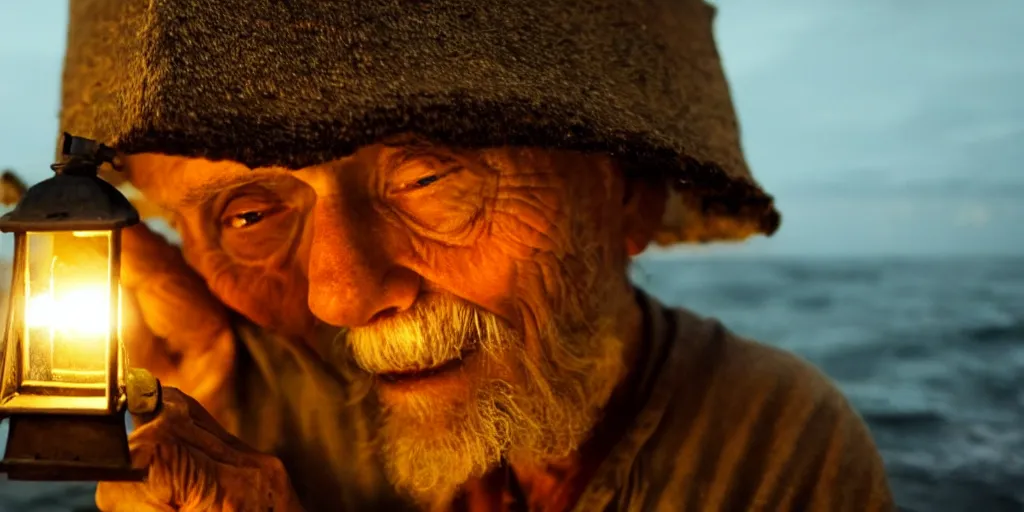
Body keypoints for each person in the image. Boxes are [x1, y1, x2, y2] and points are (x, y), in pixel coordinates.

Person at [56, 0, 895, 510]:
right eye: (247, 214)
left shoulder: (772, 441)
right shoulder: (221, 384)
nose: (340, 294)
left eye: (426, 178)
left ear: (627, 196)